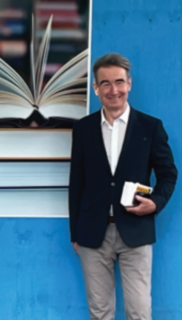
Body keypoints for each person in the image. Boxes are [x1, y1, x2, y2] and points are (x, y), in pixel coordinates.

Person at [69, 53, 177, 320]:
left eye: (119, 82)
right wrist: (75, 233)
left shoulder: (150, 127)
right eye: (105, 83)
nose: (113, 90)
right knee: (100, 312)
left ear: (129, 84)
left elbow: (168, 174)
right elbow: (76, 182)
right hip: (93, 234)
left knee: (139, 312)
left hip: (136, 232)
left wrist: (156, 203)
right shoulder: (83, 129)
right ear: (95, 88)